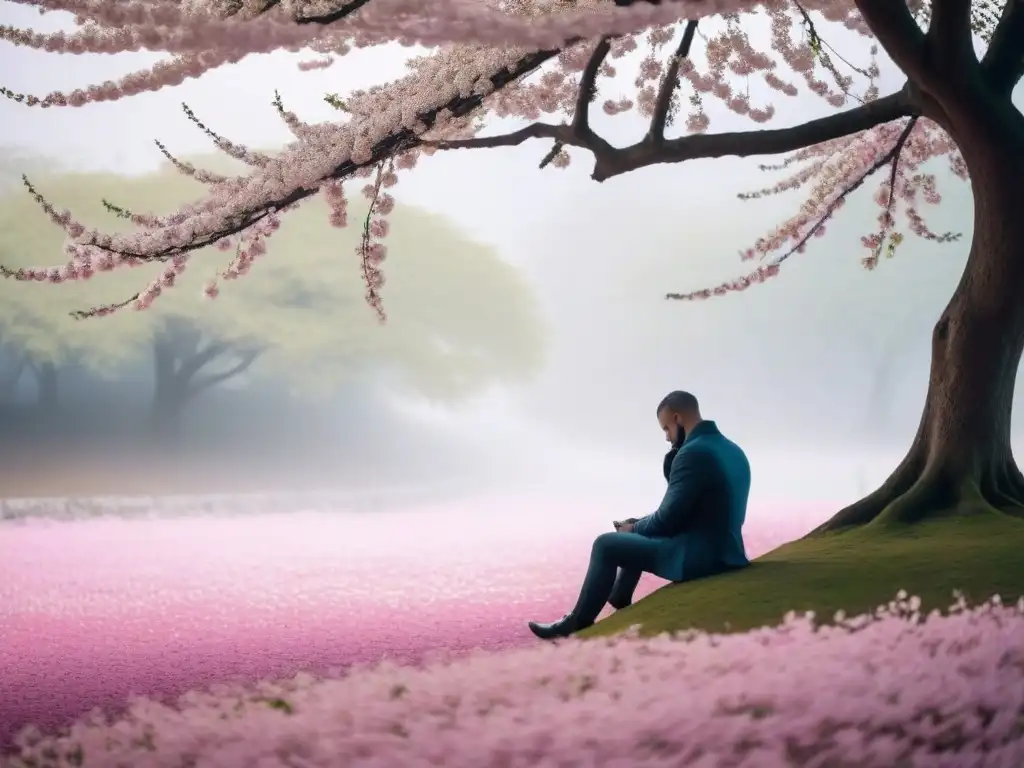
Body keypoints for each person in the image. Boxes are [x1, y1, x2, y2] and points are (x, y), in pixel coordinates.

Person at [528, 390, 751, 640]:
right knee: (637, 527)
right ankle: (620, 595)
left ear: (677, 419)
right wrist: (636, 525)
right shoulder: (731, 448)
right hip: (727, 549)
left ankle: (575, 623)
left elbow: (667, 520)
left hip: (701, 557)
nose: (667, 438)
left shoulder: (692, 454)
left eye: (666, 428)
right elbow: (688, 510)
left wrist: (632, 529)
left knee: (606, 544)